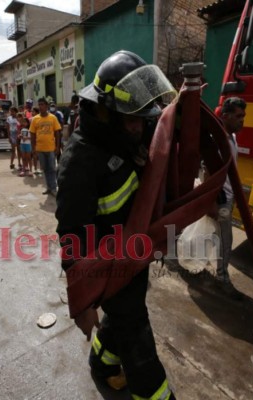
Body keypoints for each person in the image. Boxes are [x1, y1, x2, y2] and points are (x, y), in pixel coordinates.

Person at [56, 50, 177, 399]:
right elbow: (71, 237)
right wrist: (82, 303)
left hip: (132, 261)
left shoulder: (121, 137)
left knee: (122, 321)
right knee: (139, 345)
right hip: (107, 268)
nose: (141, 128)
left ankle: (103, 362)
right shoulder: (80, 161)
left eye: (143, 120)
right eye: (133, 121)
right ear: (104, 112)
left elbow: (160, 126)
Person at [214, 97, 247, 300]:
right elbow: (210, 172)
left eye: (243, 116)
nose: (242, 120)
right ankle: (222, 278)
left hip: (228, 196)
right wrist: (213, 201)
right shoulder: (219, 141)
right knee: (226, 239)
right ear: (225, 116)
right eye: (238, 116)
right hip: (221, 198)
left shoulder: (232, 138)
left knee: (220, 236)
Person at [30, 98, 61, 196]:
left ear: (47, 106)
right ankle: (48, 187)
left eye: (42, 104)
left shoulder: (53, 118)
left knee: (52, 169)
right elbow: (32, 135)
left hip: (51, 149)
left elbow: (57, 133)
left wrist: (57, 147)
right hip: (40, 149)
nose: (40, 106)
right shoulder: (35, 119)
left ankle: (54, 188)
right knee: (45, 169)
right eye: (39, 104)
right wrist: (33, 149)